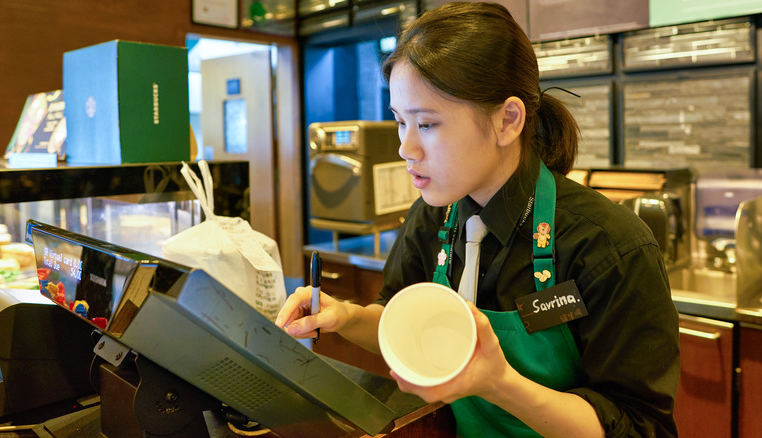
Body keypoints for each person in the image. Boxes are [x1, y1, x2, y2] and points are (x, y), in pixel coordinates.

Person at [276, 2, 680, 436]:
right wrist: (347, 318)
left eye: (427, 124)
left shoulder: (609, 247)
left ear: (507, 120)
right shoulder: (432, 218)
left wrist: (500, 384)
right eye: (399, 122)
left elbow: (641, 426)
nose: (405, 149)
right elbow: (400, 322)